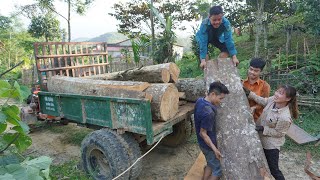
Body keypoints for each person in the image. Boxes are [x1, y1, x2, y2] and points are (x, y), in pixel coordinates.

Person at [244, 85, 299, 180]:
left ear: (288, 98)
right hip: (260, 139)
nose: (276, 94)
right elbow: (263, 101)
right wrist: (249, 93)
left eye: (281, 93)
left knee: (274, 170)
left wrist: (263, 128)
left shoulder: (285, 117)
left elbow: (280, 133)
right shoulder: (273, 100)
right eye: (277, 91)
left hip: (271, 146)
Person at [194, 81, 230, 180]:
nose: (221, 101)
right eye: (220, 98)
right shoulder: (209, 113)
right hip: (208, 145)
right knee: (218, 170)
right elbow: (203, 133)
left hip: (202, 144)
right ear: (213, 94)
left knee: (210, 164)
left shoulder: (200, 101)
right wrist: (215, 150)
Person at [196, 5, 239, 69]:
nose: (217, 22)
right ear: (209, 17)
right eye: (214, 20)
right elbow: (203, 43)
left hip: (217, 37)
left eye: (219, 19)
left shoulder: (226, 23)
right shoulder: (204, 24)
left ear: (222, 17)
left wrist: (234, 57)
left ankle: (218, 67)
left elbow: (229, 39)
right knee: (204, 58)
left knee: (226, 50)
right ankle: (207, 70)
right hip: (204, 38)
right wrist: (203, 60)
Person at [243, 58, 270, 122]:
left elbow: (265, 102)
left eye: (256, 71)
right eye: (251, 69)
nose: (252, 72)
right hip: (242, 117)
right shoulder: (242, 83)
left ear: (261, 71)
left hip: (257, 119)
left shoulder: (265, 86)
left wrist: (254, 107)